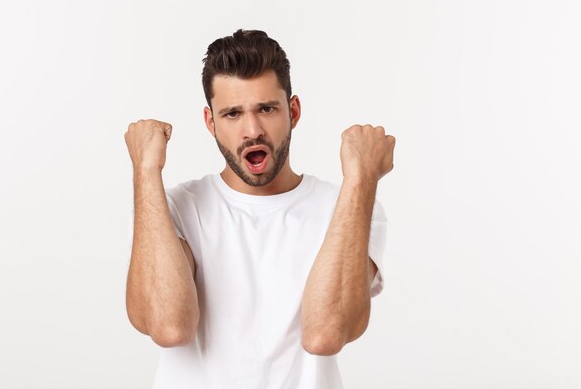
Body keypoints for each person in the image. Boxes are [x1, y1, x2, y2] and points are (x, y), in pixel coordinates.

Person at [123, 29, 395, 389]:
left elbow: (326, 334)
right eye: (232, 114)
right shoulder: (174, 207)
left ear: (293, 111)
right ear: (211, 123)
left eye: (266, 109)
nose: (252, 130)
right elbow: (168, 325)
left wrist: (361, 179)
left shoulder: (348, 206)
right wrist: (145, 171)